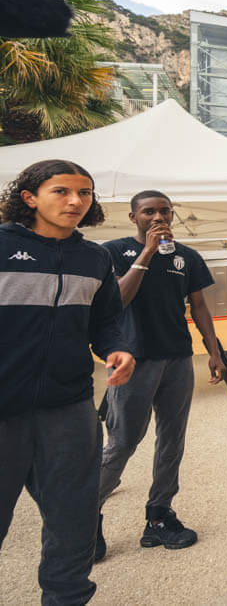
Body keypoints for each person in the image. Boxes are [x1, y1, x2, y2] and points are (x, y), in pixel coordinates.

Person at [0, 159, 135, 605]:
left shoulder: (95, 258)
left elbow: (107, 321)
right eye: (61, 191)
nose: (76, 201)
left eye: (85, 193)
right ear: (29, 197)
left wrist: (117, 348)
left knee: (74, 519)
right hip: (4, 408)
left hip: (69, 407)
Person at [95, 190, 225, 560]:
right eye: (149, 212)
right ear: (133, 217)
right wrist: (148, 253)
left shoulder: (187, 256)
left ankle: (159, 515)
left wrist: (214, 352)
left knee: (172, 440)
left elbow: (199, 306)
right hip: (133, 359)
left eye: (164, 211)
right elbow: (116, 301)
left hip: (177, 358)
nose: (158, 217)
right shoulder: (112, 252)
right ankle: (84, 515)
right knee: (123, 441)